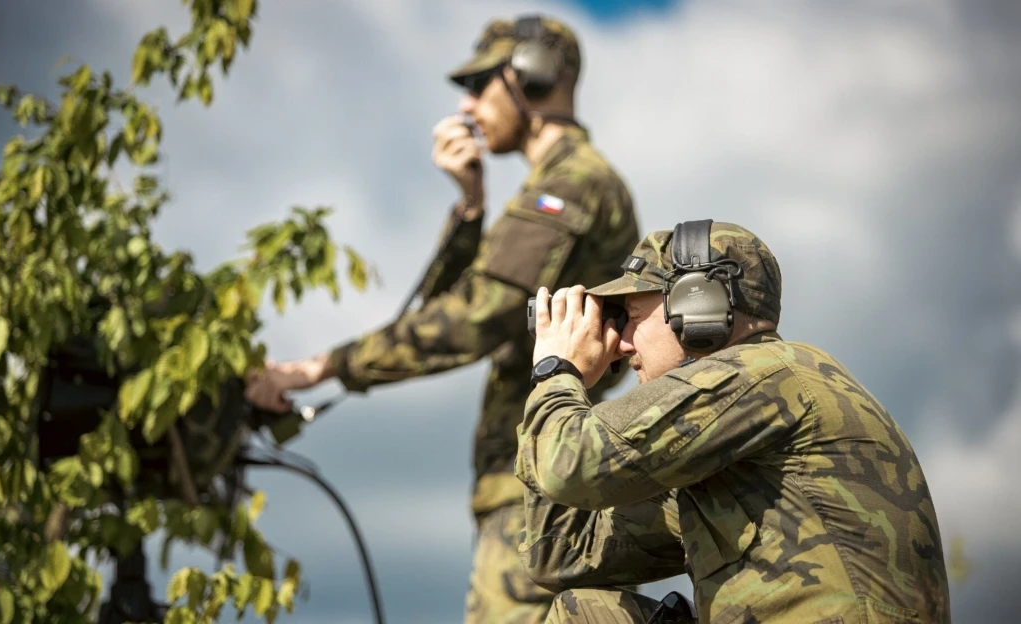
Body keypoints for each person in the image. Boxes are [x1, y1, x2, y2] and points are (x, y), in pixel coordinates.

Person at [244, 14, 641, 623]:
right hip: (530, 485)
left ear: (534, 79)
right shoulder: (550, 188)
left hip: (542, 488)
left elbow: (473, 319)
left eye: (483, 84)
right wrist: (470, 208)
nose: (467, 106)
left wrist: (321, 368)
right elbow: (461, 305)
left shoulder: (573, 184)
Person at [517, 220, 951, 623]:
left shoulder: (765, 373)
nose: (624, 344)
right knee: (585, 612)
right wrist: (567, 384)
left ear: (696, 303)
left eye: (631, 317)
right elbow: (560, 554)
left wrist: (557, 371)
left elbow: (568, 465)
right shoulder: (728, 437)